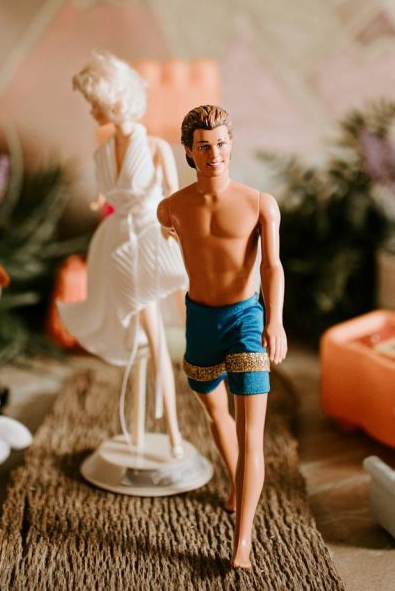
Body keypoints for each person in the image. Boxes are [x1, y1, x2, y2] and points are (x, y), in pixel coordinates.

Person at [157, 104, 288, 569]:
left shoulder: (258, 203)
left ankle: (243, 539)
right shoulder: (170, 208)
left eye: (221, 143)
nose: (215, 153)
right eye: (204, 146)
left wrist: (274, 320)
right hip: (200, 323)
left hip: (246, 321)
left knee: (251, 432)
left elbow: (272, 265)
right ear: (190, 153)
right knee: (215, 411)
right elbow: (171, 243)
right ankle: (236, 485)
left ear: (232, 144)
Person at [58, 51, 188, 456]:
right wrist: (103, 199)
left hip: (148, 242)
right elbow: (109, 192)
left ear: (116, 100)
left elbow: (171, 199)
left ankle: (173, 435)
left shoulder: (154, 147)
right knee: (132, 337)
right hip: (114, 244)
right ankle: (136, 428)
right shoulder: (102, 151)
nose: (92, 111)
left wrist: (177, 237)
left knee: (155, 340)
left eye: (96, 103)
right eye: (90, 104)